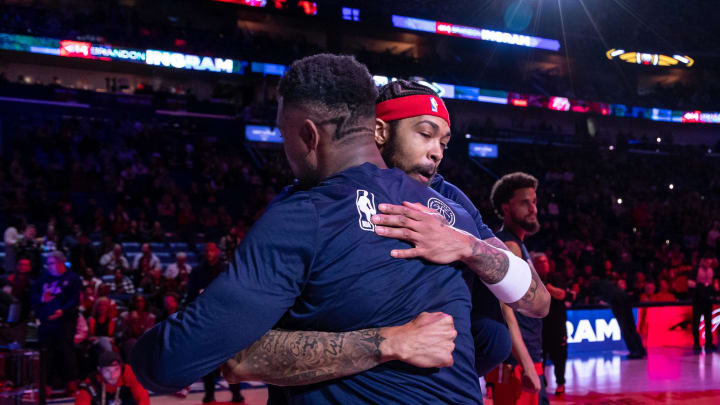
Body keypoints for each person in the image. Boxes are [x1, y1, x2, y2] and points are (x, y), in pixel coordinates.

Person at [131, 54, 543, 404]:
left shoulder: (307, 212)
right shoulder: (449, 209)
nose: (436, 150)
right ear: (375, 128)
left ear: (308, 135)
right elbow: (488, 343)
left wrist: (467, 248)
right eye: (425, 134)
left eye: (283, 135)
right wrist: (392, 345)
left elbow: (170, 363)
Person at [485, 172, 549, 405]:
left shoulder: (517, 244)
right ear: (506, 208)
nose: (533, 208)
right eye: (525, 202)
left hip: (523, 358)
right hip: (516, 364)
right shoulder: (509, 246)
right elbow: (506, 311)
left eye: (534, 202)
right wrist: (527, 364)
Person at [31, 251, 82, 391]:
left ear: (60, 263)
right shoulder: (43, 278)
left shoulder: (73, 278)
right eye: (48, 264)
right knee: (46, 353)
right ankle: (46, 384)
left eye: (51, 263)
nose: (49, 266)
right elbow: (34, 296)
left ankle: (71, 382)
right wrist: (42, 299)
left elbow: (74, 299)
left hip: (65, 322)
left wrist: (62, 311)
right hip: (46, 322)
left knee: (66, 352)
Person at [534, 252, 569, 396]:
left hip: (557, 326)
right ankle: (541, 383)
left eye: (545, 262)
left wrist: (546, 286)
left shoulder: (556, 278)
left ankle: (560, 383)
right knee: (539, 358)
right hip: (539, 326)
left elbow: (561, 294)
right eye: (540, 262)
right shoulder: (531, 279)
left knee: (559, 357)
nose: (543, 265)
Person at [75, 351, 149, 405]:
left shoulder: (130, 374)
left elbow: (143, 399)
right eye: (107, 370)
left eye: (116, 369)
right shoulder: (91, 383)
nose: (113, 375)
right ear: (99, 369)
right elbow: (81, 402)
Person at [689, 257, 716, 352]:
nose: (708, 264)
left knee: (708, 322)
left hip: (708, 301)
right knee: (696, 322)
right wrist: (700, 287)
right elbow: (690, 283)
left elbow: (712, 283)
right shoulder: (696, 270)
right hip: (698, 300)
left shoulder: (711, 270)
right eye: (707, 261)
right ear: (702, 260)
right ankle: (696, 343)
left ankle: (709, 342)